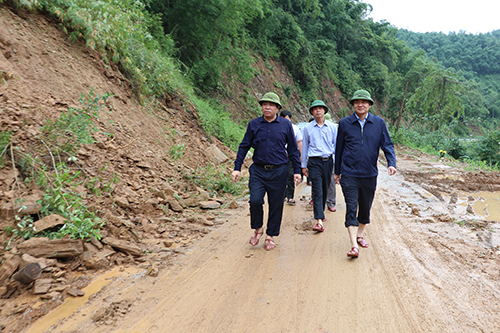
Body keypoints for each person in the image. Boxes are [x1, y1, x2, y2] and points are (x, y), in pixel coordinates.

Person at [232, 92, 302, 251]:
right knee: (255, 201)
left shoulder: (285, 125)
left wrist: (297, 171)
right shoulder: (254, 124)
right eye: (264, 104)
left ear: (278, 108)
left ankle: (270, 236)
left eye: (271, 105)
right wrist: (237, 168)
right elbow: (244, 146)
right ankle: (258, 229)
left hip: (279, 171)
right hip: (258, 170)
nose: (267, 107)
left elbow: (292, 149)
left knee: (276, 205)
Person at [334, 90, 397, 258]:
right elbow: (338, 149)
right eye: (356, 102)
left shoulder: (378, 123)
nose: (360, 104)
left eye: (364, 102)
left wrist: (391, 163)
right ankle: (354, 245)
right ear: (353, 105)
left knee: (365, 207)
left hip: (369, 173)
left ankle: (360, 234)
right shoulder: (345, 123)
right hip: (349, 173)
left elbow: (387, 145)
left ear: (369, 105)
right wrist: (337, 171)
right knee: (351, 206)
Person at [301, 100, 337, 233]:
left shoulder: (332, 127)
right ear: (312, 112)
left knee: (325, 187)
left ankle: (320, 211)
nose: (318, 111)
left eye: (320, 108)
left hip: (328, 161)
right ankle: (319, 220)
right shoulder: (308, 128)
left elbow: (336, 147)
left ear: (324, 111)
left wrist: (338, 166)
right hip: (314, 162)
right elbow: (305, 147)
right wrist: (304, 165)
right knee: (317, 189)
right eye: (315, 109)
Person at [280, 110, 303, 206]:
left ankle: (290, 197)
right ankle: (282, 196)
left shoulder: (295, 128)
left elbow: (299, 142)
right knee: (280, 176)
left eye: (288, 119)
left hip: (291, 156)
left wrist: (301, 155)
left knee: (291, 175)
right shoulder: (276, 126)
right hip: (279, 156)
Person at [324, 113, 337, 212]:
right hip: (318, 159)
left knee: (331, 182)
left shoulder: (333, 128)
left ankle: (331, 202)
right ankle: (318, 201)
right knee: (318, 181)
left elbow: (337, 146)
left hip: (331, 159)